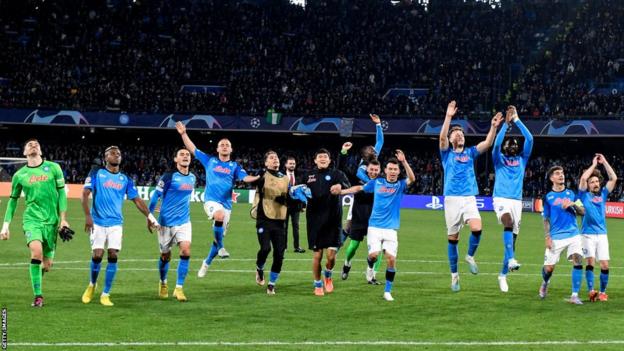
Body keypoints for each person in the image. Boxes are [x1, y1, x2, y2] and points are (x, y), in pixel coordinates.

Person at [175, 122, 259, 277]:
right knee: (218, 216)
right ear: (218, 149)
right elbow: (192, 149)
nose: (225, 146)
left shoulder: (235, 166)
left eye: (227, 145)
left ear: (231, 149)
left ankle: (206, 262)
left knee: (216, 237)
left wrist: (258, 178)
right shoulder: (210, 161)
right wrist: (183, 134)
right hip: (211, 201)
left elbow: (245, 177)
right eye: (222, 144)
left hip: (227, 205)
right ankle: (221, 246)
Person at [81, 146, 159, 307]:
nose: (117, 155)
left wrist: (150, 217)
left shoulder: (125, 179)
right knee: (97, 255)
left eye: (119, 154)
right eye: (113, 153)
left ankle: (105, 293)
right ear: (106, 157)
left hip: (116, 223)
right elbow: (84, 194)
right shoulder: (96, 173)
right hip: (98, 222)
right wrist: (88, 216)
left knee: (113, 255)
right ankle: (91, 285)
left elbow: (137, 200)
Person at [439, 101, 502, 292]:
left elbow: (487, 143)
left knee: (477, 228)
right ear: (451, 140)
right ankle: (454, 277)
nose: (460, 135)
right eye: (456, 134)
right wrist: (449, 117)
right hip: (451, 200)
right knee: (453, 238)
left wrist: (492, 127)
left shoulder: (470, 153)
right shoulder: (446, 154)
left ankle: (470, 256)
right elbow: (441, 137)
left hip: (468, 198)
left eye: (462, 134)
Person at [0, 139, 70, 307]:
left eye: (36, 144)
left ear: (40, 150)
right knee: (36, 252)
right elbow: (13, 201)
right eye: (29, 144)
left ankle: (36, 277)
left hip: (52, 222)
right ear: (24, 152)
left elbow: (62, 195)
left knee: (46, 266)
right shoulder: (20, 175)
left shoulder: (54, 168)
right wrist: (5, 225)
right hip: (32, 220)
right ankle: (38, 296)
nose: (33, 145)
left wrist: (63, 219)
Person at [341, 150, 415, 301]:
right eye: (390, 169)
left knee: (391, 259)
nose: (393, 171)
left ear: (398, 171)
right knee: (373, 255)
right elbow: (358, 188)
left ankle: (387, 291)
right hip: (374, 227)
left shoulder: (400, 185)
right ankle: (369, 265)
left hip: (391, 229)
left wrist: (404, 161)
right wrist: (342, 191)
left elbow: (412, 179)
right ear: (385, 170)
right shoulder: (377, 182)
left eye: (395, 169)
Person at [251, 151, 309, 295]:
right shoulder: (262, 175)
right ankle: (259, 267)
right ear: (266, 163)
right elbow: (254, 182)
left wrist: (298, 201)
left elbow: (289, 199)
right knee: (265, 249)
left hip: (280, 219)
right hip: (264, 218)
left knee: (279, 253)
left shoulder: (285, 179)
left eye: (276, 157)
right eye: (271, 158)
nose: (275, 159)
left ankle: (271, 284)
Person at [338, 114, 385, 284]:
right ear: (366, 155)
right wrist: (343, 151)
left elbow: (380, 142)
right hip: (359, 209)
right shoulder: (360, 172)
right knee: (354, 245)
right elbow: (344, 169)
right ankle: (346, 263)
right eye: (372, 150)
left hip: (376, 213)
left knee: (377, 248)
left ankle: (371, 276)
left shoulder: (376, 169)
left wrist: (378, 125)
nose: (375, 150)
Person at [492, 106, 534, 292]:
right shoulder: (498, 159)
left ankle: (502, 275)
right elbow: (495, 145)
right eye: (510, 145)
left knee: (513, 241)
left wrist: (517, 120)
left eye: (515, 145)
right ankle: (511, 259)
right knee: (507, 222)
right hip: (501, 199)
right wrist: (506, 126)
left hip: (516, 201)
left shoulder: (522, 160)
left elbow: (530, 139)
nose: (512, 146)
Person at [148, 148, 197, 302]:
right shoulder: (168, 177)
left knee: (186, 251)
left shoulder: (193, 178)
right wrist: (149, 216)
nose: (185, 156)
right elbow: (156, 195)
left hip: (184, 221)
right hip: (165, 224)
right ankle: (163, 283)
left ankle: (179, 288)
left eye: (187, 155)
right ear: (175, 159)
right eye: (181, 154)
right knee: (165, 256)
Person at [303, 148, 350, 296]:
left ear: (329, 160)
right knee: (317, 256)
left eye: (325, 157)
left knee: (331, 256)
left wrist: (340, 186)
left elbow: (347, 185)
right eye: (320, 156)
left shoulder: (336, 174)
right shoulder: (307, 176)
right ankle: (317, 284)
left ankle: (328, 274)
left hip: (333, 220)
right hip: (315, 221)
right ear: (315, 160)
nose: (323, 158)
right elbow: (298, 191)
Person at [539, 166, 586, 305]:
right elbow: (546, 218)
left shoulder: (572, 194)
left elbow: (582, 211)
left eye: (562, 173)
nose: (561, 176)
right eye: (557, 173)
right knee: (549, 269)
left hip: (573, 234)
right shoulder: (547, 197)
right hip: (556, 237)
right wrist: (547, 236)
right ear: (551, 178)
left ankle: (574, 295)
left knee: (578, 260)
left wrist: (573, 204)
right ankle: (545, 282)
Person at [578, 154, 617, 302]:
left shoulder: (604, 194)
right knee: (590, 263)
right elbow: (583, 179)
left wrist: (605, 161)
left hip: (602, 234)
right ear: (588, 185)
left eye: (596, 181)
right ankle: (591, 291)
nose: (595, 183)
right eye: (592, 182)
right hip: (587, 234)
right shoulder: (583, 195)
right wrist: (594, 164)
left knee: (605, 264)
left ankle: (602, 292)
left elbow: (613, 178)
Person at [284, 155, 305, 253]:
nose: (292, 165)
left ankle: (297, 247)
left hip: (296, 206)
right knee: (284, 227)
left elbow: (302, 192)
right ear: (286, 165)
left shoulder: (299, 176)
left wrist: (303, 206)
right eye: (290, 163)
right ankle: (283, 247)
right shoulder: (281, 176)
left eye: (293, 164)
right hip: (284, 206)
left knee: (296, 227)